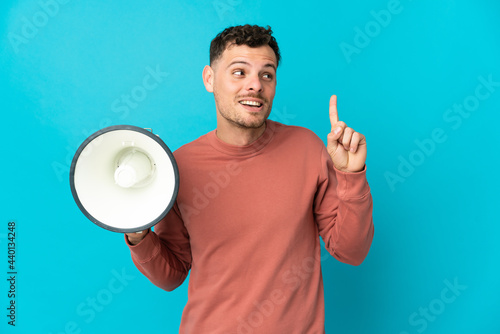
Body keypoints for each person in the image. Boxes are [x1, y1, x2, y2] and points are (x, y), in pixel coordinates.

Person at [125, 24, 374, 333]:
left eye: (266, 75)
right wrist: (138, 234)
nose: (255, 85)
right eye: (239, 72)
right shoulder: (180, 166)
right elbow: (171, 275)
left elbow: (351, 251)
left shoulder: (307, 148)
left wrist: (351, 175)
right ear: (210, 79)